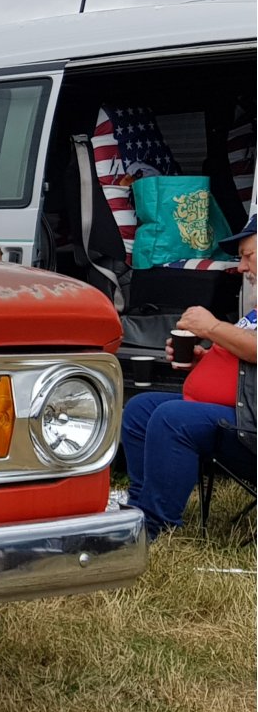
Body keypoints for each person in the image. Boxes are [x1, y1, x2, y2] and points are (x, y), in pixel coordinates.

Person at [119, 213, 257, 539]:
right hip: (237, 413)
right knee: (141, 408)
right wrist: (204, 362)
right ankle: (139, 510)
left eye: (249, 256)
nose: (241, 267)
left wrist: (211, 327)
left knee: (172, 417)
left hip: (250, 425)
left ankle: (157, 527)